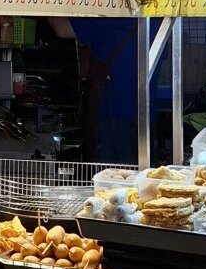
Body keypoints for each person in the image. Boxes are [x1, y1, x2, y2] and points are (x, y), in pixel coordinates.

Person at [50, 17, 160, 164]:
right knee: (141, 172)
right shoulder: (157, 21)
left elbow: (61, 28)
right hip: (146, 116)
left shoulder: (109, 18)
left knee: (110, 174)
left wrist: (44, 7)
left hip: (112, 117)